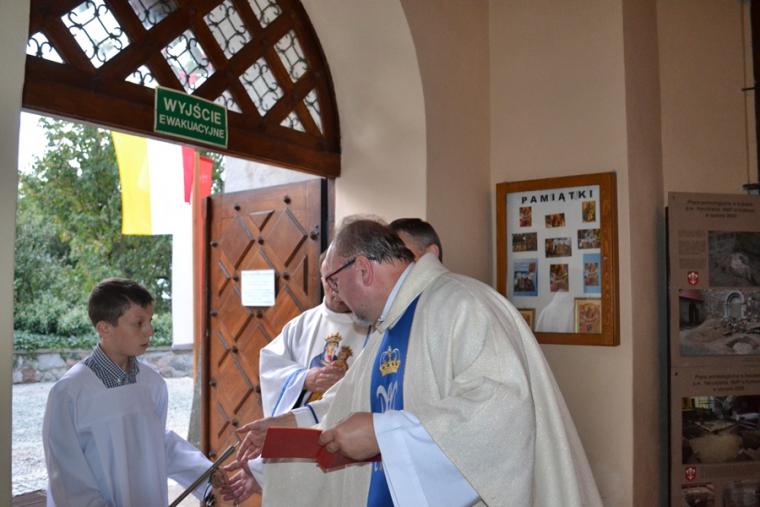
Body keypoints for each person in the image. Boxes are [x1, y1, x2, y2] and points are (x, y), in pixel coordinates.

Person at [223, 219, 602, 506]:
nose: (335, 296)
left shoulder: (463, 304)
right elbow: (349, 402)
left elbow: (499, 412)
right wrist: (287, 423)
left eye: (335, 282)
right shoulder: (389, 326)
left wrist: (383, 433)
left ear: (363, 269)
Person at [42, 278, 220, 507]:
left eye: (150, 321)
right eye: (138, 323)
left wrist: (207, 474)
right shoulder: (70, 392)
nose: (150, 331)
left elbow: (157, 443)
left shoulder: (152, 383)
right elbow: (68, 477)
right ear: (104, 328)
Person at [259, 253, 371, 417]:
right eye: (330, 280)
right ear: (321, 279)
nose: (336, 288)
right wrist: (305, 378)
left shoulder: (373, 323)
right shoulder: (300, 326)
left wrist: (347, 382)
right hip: (304, 425)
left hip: (350, 425)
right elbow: (270, 367)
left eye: (342, 280)